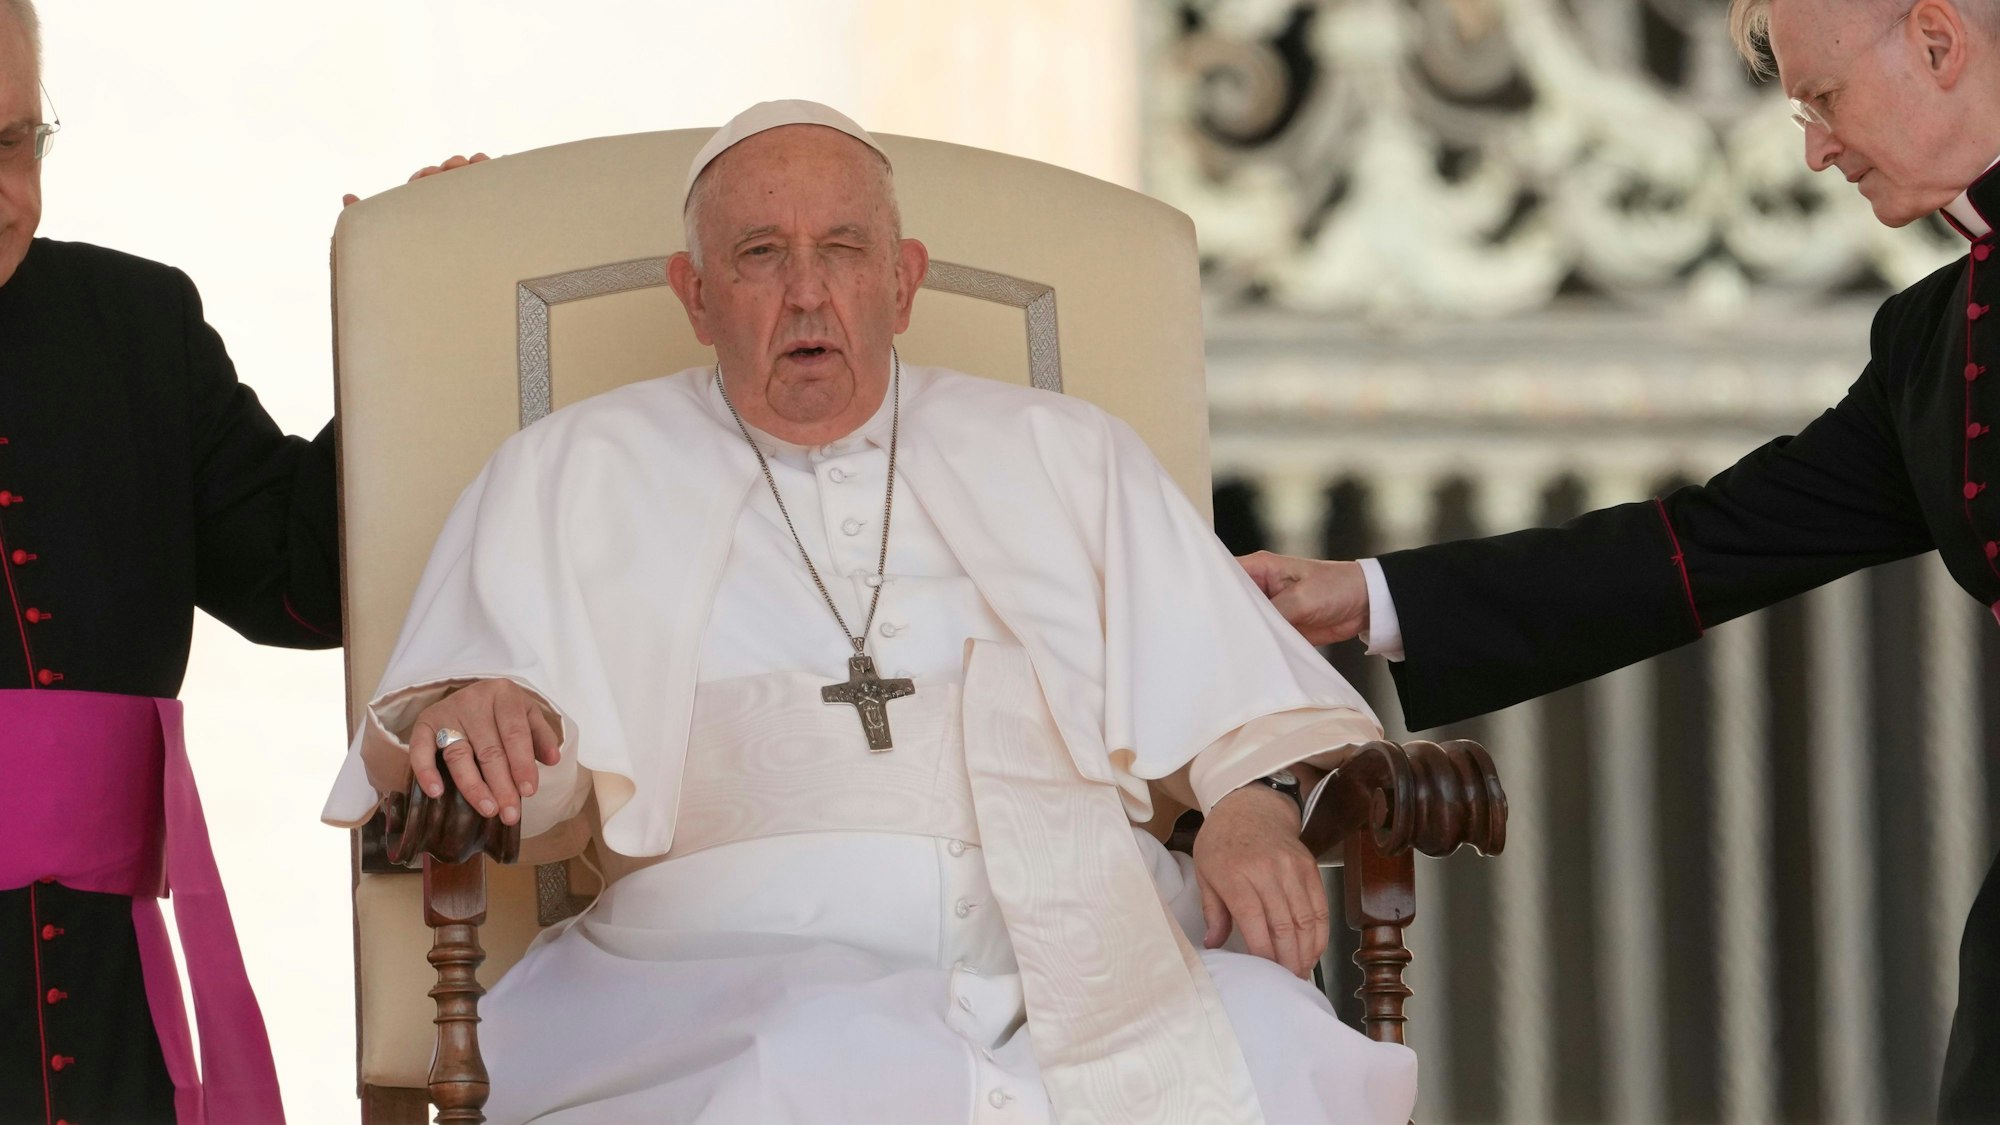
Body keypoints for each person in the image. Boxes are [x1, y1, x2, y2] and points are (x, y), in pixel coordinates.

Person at [322, 100, 1419, 1125]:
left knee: (1278, 1046)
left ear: (903, 281)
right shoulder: (568, 472)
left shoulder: (1068, 452)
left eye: (844, 250)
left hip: (1096, 952)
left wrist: (1252, 803)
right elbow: (504, 755)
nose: (808, 293)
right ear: (693, 294)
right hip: (721, 967)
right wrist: (479, 716)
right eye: (760, 254)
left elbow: (1238, 702)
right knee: (823, 1063)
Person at [1240, 1, 2000, 1120]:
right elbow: (1702, 544)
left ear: (1935, 41)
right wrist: (1366, 593)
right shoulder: (1934, 339)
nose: (1815, 150)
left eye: (1824, 99)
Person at [0, 2, 478, 1120]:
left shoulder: (134, 323)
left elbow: (297, 584)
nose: (3, 194)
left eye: (14, 142)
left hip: (101, 1005)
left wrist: (409, 320)